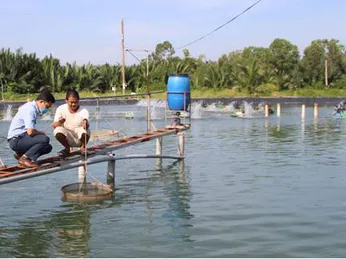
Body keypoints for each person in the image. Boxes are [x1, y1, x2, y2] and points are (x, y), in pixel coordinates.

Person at [7, 90, 56, 168]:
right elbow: (30, 132)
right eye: (47, 106)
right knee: (44, 139)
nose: (47, 109)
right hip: (16, 140)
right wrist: (41, 133)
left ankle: (21, 154)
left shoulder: (31, 107)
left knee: (47, 147)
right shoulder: (31, 109)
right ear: (41, 102)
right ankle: (24, 158)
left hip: (20, 137)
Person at [52, 89, 90, 157]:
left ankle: (83, 147)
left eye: (76, 102)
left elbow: (86, 122)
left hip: (79, 139)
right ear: (66, 100)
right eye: (71, 102)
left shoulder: (84, 111)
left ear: (78, 101)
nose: (73, 104)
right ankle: (67, 148)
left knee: (85, 131)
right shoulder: (60, 109)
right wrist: (60, 122)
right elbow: (54, 125)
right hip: (68, 138)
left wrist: (85, 123)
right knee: (57, 130)